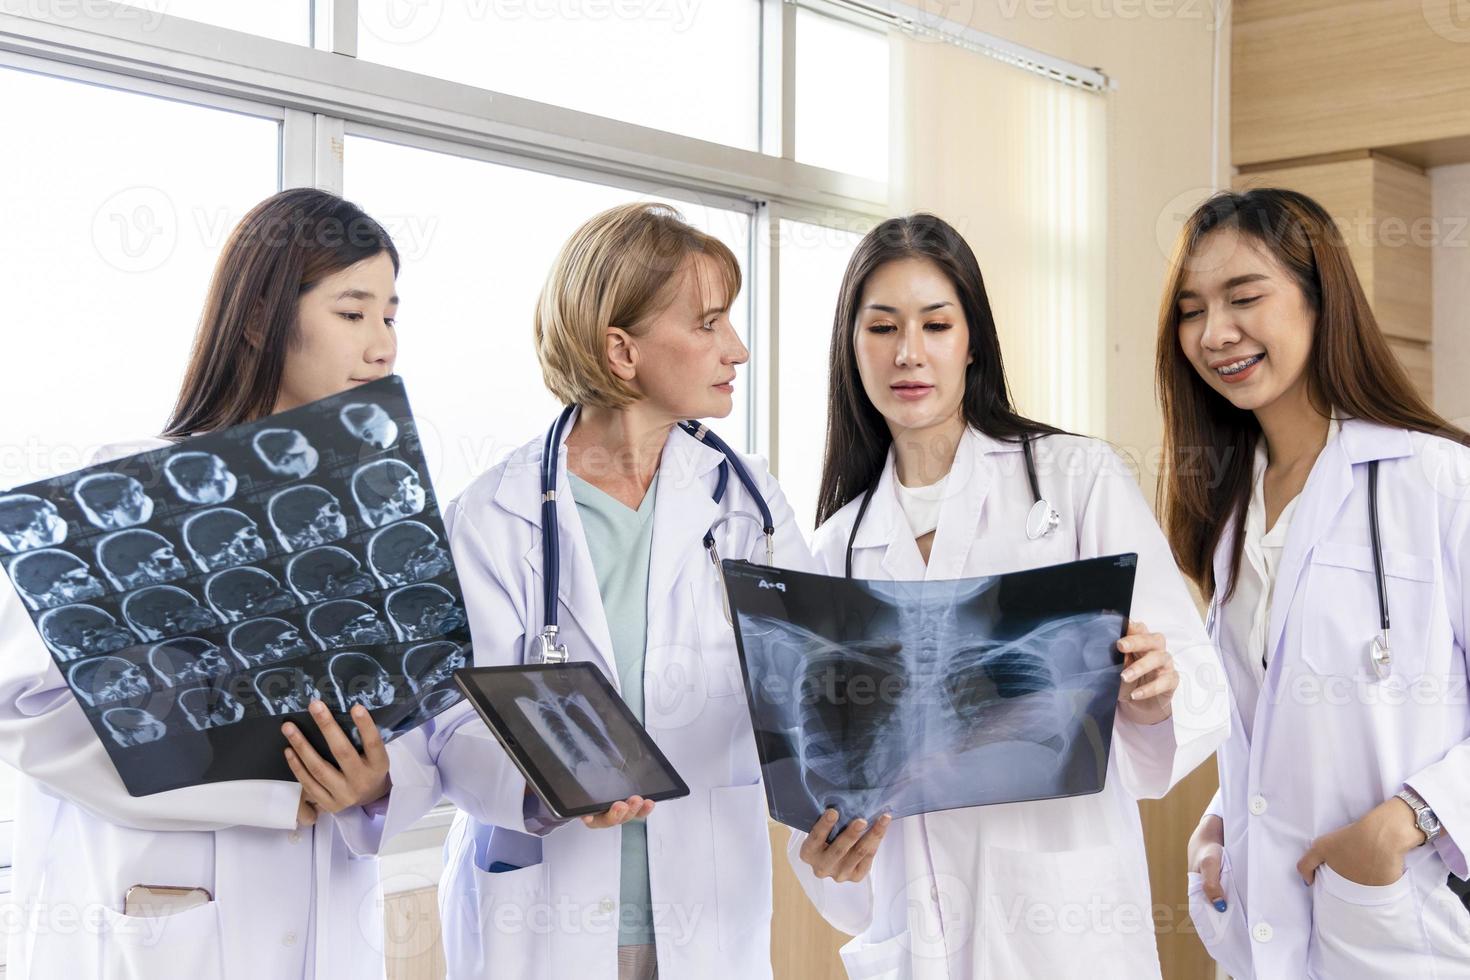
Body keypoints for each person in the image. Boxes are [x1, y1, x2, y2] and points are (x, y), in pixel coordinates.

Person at [356, 202, 813, 979]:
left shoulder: (749, 505)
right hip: (544, 919)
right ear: (621, 349)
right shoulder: (489, 517)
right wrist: (543, 790)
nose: (735, 349)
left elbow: (809, 684)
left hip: (708, 913)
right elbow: (445, 725)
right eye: (707, 324)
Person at [786, 213, 1229, 978]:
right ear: (851, 347)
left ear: (972, 341)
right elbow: (822, 782)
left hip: (1066, 925)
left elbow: (1193, 671)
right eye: (882, 327)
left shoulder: (1074, 478)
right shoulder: (833, 549)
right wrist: (828, 855)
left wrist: (1158, 695)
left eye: (936, 323)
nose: (908, 352)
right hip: (917, 928)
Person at [0, 188, 404, 979]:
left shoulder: (376, 520)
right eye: (354, 314)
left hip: (331, 914)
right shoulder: (115, 496)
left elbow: (417, 715)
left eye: (392, 315)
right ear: (258, 319)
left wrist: (382, 779)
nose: (382, 346)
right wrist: (264, 792)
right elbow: (27, 710)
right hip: (170, 915)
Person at [1160, 188, 1470, 977]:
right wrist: (1220, 821)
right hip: (1266, 926)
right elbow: (1273, 724)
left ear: (1319, 298)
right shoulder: (1229, 507)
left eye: (1244, 297)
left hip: (1398, 926)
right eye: (1192, 309)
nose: (1214, 333)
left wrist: (1410, 821)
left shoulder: (1436, 481)